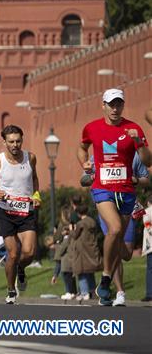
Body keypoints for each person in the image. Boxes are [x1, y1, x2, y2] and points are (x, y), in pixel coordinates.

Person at [77, 88, 151, 306]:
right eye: (111, 104)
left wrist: (139, 142)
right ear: (103, 105)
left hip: (126, 191)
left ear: (123, 105)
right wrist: (85, 163)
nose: (115, 109)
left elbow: (148, 161)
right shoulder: (92, 128)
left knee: (123, 250)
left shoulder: (134, 128)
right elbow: (81, 148)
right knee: (115, 228)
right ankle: (107, 278)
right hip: (102, 188)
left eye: (119, 104)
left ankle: (107, 277)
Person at [0, 124, 41, 304]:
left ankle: (20, 269)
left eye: (18, 141)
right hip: (6, 213)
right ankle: (11, 290)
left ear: (22, 140)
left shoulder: (30, 158)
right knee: (13, 254)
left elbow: (34, 178)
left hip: (26, 211)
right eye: (11, 142)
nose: (15, 145)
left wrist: (36, 195)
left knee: (29, 252)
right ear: (4, 142)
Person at [93, 152, 150, 306]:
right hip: (107, 204)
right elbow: (83, 179)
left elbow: (146, 179)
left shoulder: (135, 155)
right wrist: (91, 175)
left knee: (127, 253)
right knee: (115, 235)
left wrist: (135, 180)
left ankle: (105, 283)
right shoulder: (100, 152)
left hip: (127, 205)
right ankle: (118, 291)